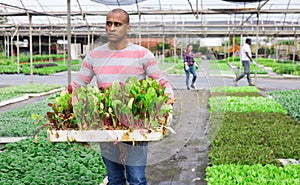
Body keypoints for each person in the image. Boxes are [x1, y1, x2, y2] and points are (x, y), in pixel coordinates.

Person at [70, 8, 173, 185]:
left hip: (136, 124)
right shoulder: (94, 56)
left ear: (127, 28)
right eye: (109, 23)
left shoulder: (142, 54)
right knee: (115, 178)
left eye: (117, 24)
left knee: (136, 177)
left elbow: (162, 83)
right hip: (106, 124)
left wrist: (168, 103)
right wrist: (67, 100)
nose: (112, 28)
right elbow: (78, 85)